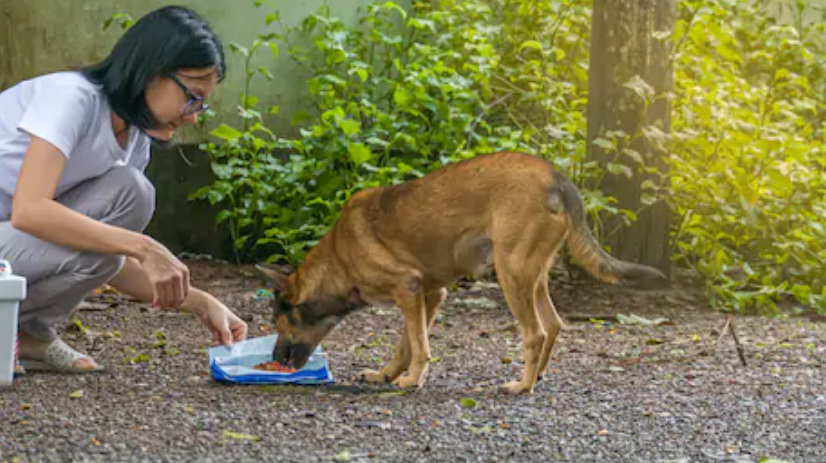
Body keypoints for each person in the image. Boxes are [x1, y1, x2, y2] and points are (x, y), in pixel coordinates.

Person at [0, 5, 248, 374]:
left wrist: (203, 303)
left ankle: (26, 333)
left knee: (132, 193)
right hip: (11, 240)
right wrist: (143, 246)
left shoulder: (134, 141)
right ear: (152, 73)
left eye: (202, 104)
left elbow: (104, 261)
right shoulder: (72, 98)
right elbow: (30, 210)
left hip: (9, 252)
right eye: (192, 96)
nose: (194, 115)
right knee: (120, 229)